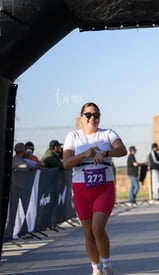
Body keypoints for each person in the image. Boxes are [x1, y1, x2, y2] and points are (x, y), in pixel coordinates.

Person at [62, 102, 127, 275]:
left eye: (96, 115)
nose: (92, 118)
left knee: (98, 228)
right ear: (81, 117)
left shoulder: (108, 134)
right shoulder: (73, 137)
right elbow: (66, 163)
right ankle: (95, 268)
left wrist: (105, 153)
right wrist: (84, 154)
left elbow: (122, 150)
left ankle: (107, 266)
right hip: (82, 190)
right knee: (88, 233)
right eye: (88, 115)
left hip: (104, 188)